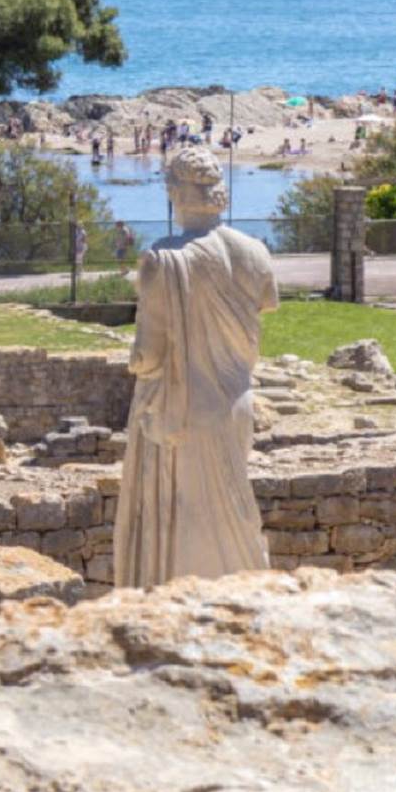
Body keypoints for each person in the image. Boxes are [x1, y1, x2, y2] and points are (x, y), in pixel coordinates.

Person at [115, 147, 277, 588]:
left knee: (185, 527)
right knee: (233, 516)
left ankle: (182, 622)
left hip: (182, 409)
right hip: (236, 401)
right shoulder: (255, 251)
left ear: (175, 194)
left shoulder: (162, 261)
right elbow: (261, 308)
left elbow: (148, 355)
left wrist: (133, 361)